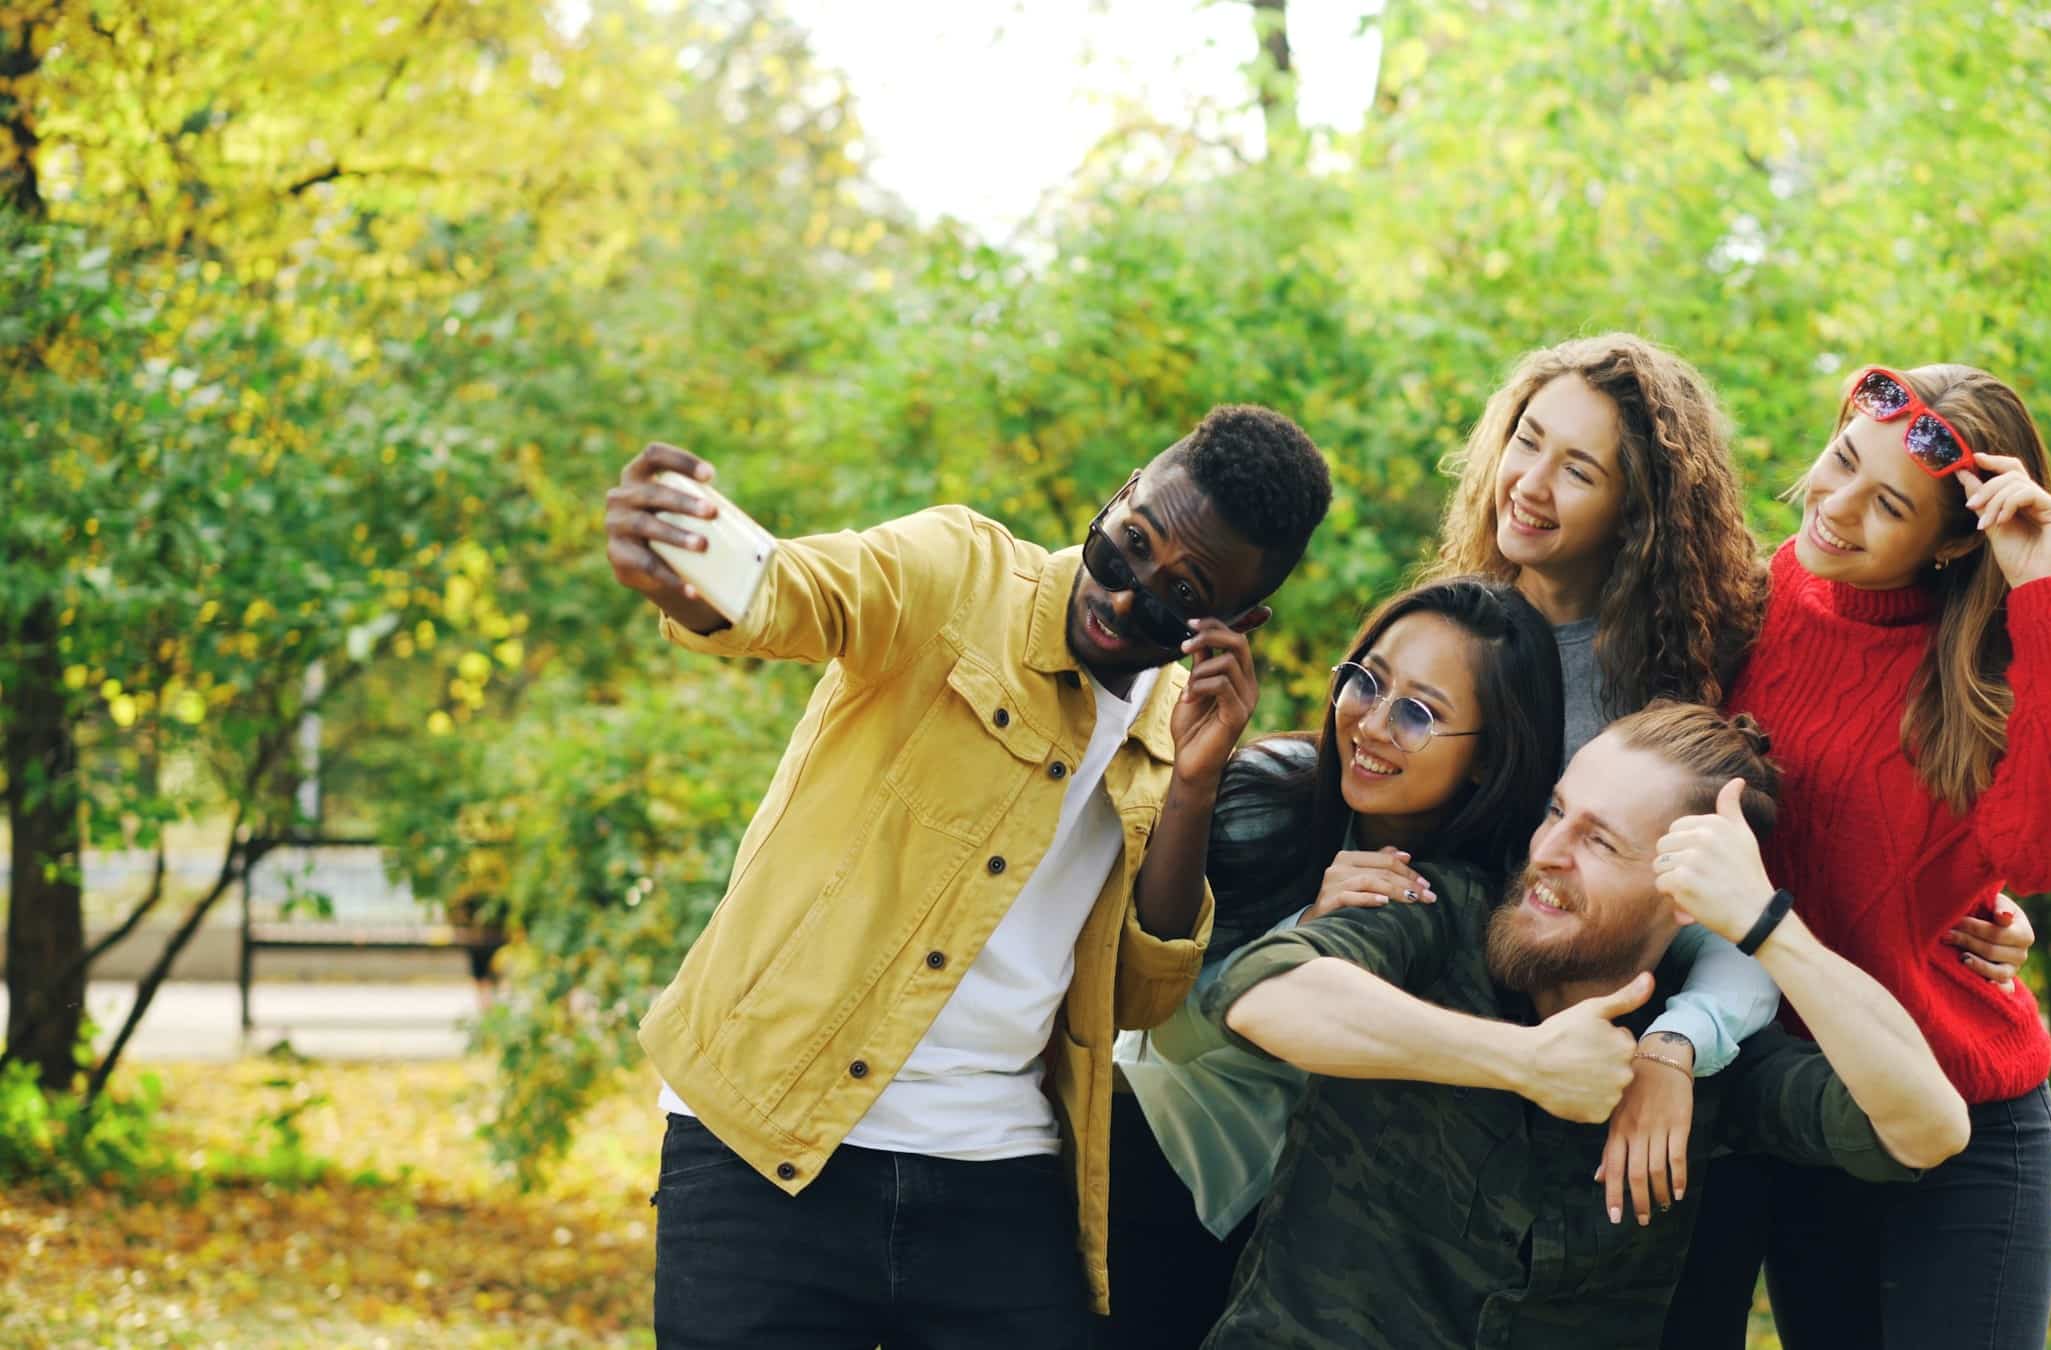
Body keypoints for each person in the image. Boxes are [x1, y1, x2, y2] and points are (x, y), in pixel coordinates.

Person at [602, 406, 1332, 1348]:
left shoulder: (1175, 731)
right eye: (1123, 550)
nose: (1119, 599)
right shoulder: (960, 573)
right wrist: (695, 564)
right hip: (765, 1133)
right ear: (1116, 499)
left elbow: (1141, 999)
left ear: (1234, 621)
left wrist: (1194, 782)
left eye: (1171, 598)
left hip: (992, 1165)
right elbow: (797, 592)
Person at [1425, 336, 2034, 1221]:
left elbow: (1767, 874)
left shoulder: (1696, 655)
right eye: (1526, 438)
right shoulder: (1439, 635)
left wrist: (1975, 902)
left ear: (1637, 506)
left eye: (1580, 470)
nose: (1529, 482)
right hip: (1455, 1060)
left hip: (1679, 1069)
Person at [1195, 700, 1971, 1348]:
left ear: (1683, 897)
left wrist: (1770, 926)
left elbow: (1927, 1128)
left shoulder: (1701, 1057)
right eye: (1557, 812)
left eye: (1600, 841)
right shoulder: (1439, 912)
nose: (1548, 853)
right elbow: (1260, 993)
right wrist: (1522, 1060)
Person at [1667, 364, 2051, 1348]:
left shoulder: (1986, 669)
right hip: (1808, 1107)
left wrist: (2046, 584)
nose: (1836, 507)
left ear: (1954, 539)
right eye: (1841, 461)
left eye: (1888, 505)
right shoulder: (1741, 606)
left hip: (1971, 1118)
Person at [1105, 578, 1564, 1347]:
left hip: (1250, 1222)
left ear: (1489, 756)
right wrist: (1300, 925)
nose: (1373, 724)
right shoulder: (1271, 791)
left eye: (1419, 713)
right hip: (1130, 1145)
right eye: (1367, 681)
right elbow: (1156, 1018)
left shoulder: (1465, 904)